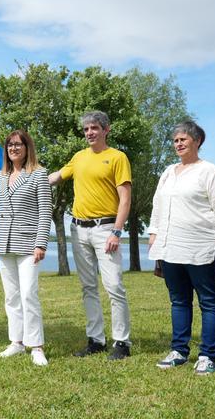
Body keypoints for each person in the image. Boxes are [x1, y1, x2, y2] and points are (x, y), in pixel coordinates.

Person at [147, 121, 215, 375]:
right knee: (178, 300)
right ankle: (179, 351)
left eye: (184, 139)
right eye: (175, 140)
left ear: (197, 141)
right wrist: (154, 235)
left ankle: (208, 355)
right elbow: (158, 205)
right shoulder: (168, 172)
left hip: (201, 246)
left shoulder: (210, 172)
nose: (179, 143)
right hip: (171, 246)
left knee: (208, 300)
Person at [49, 110, 134, 360]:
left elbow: (125, 199)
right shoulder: (78, 157)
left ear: (106, 130)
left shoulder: (117, 158)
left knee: (114, 286)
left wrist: (117, 232)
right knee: (88, 287)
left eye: (94, 128)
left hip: (106, 229)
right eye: (86, 129)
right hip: (79, 229)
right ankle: (96, 340)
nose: (89, 133)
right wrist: (32, 180)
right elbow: (56, 177)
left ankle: (122, 343)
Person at [0, 130, 52, 366]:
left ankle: (36, 346)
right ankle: (16, 342)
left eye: (18, 144)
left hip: (28, 244)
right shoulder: (0, 177)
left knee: (28, 294)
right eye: (10, 145)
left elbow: (45, 212)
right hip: (3, 244)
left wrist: (41, 244)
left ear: (27, 148)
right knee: (11, 296)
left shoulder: (38, 174)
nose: (14, 148)